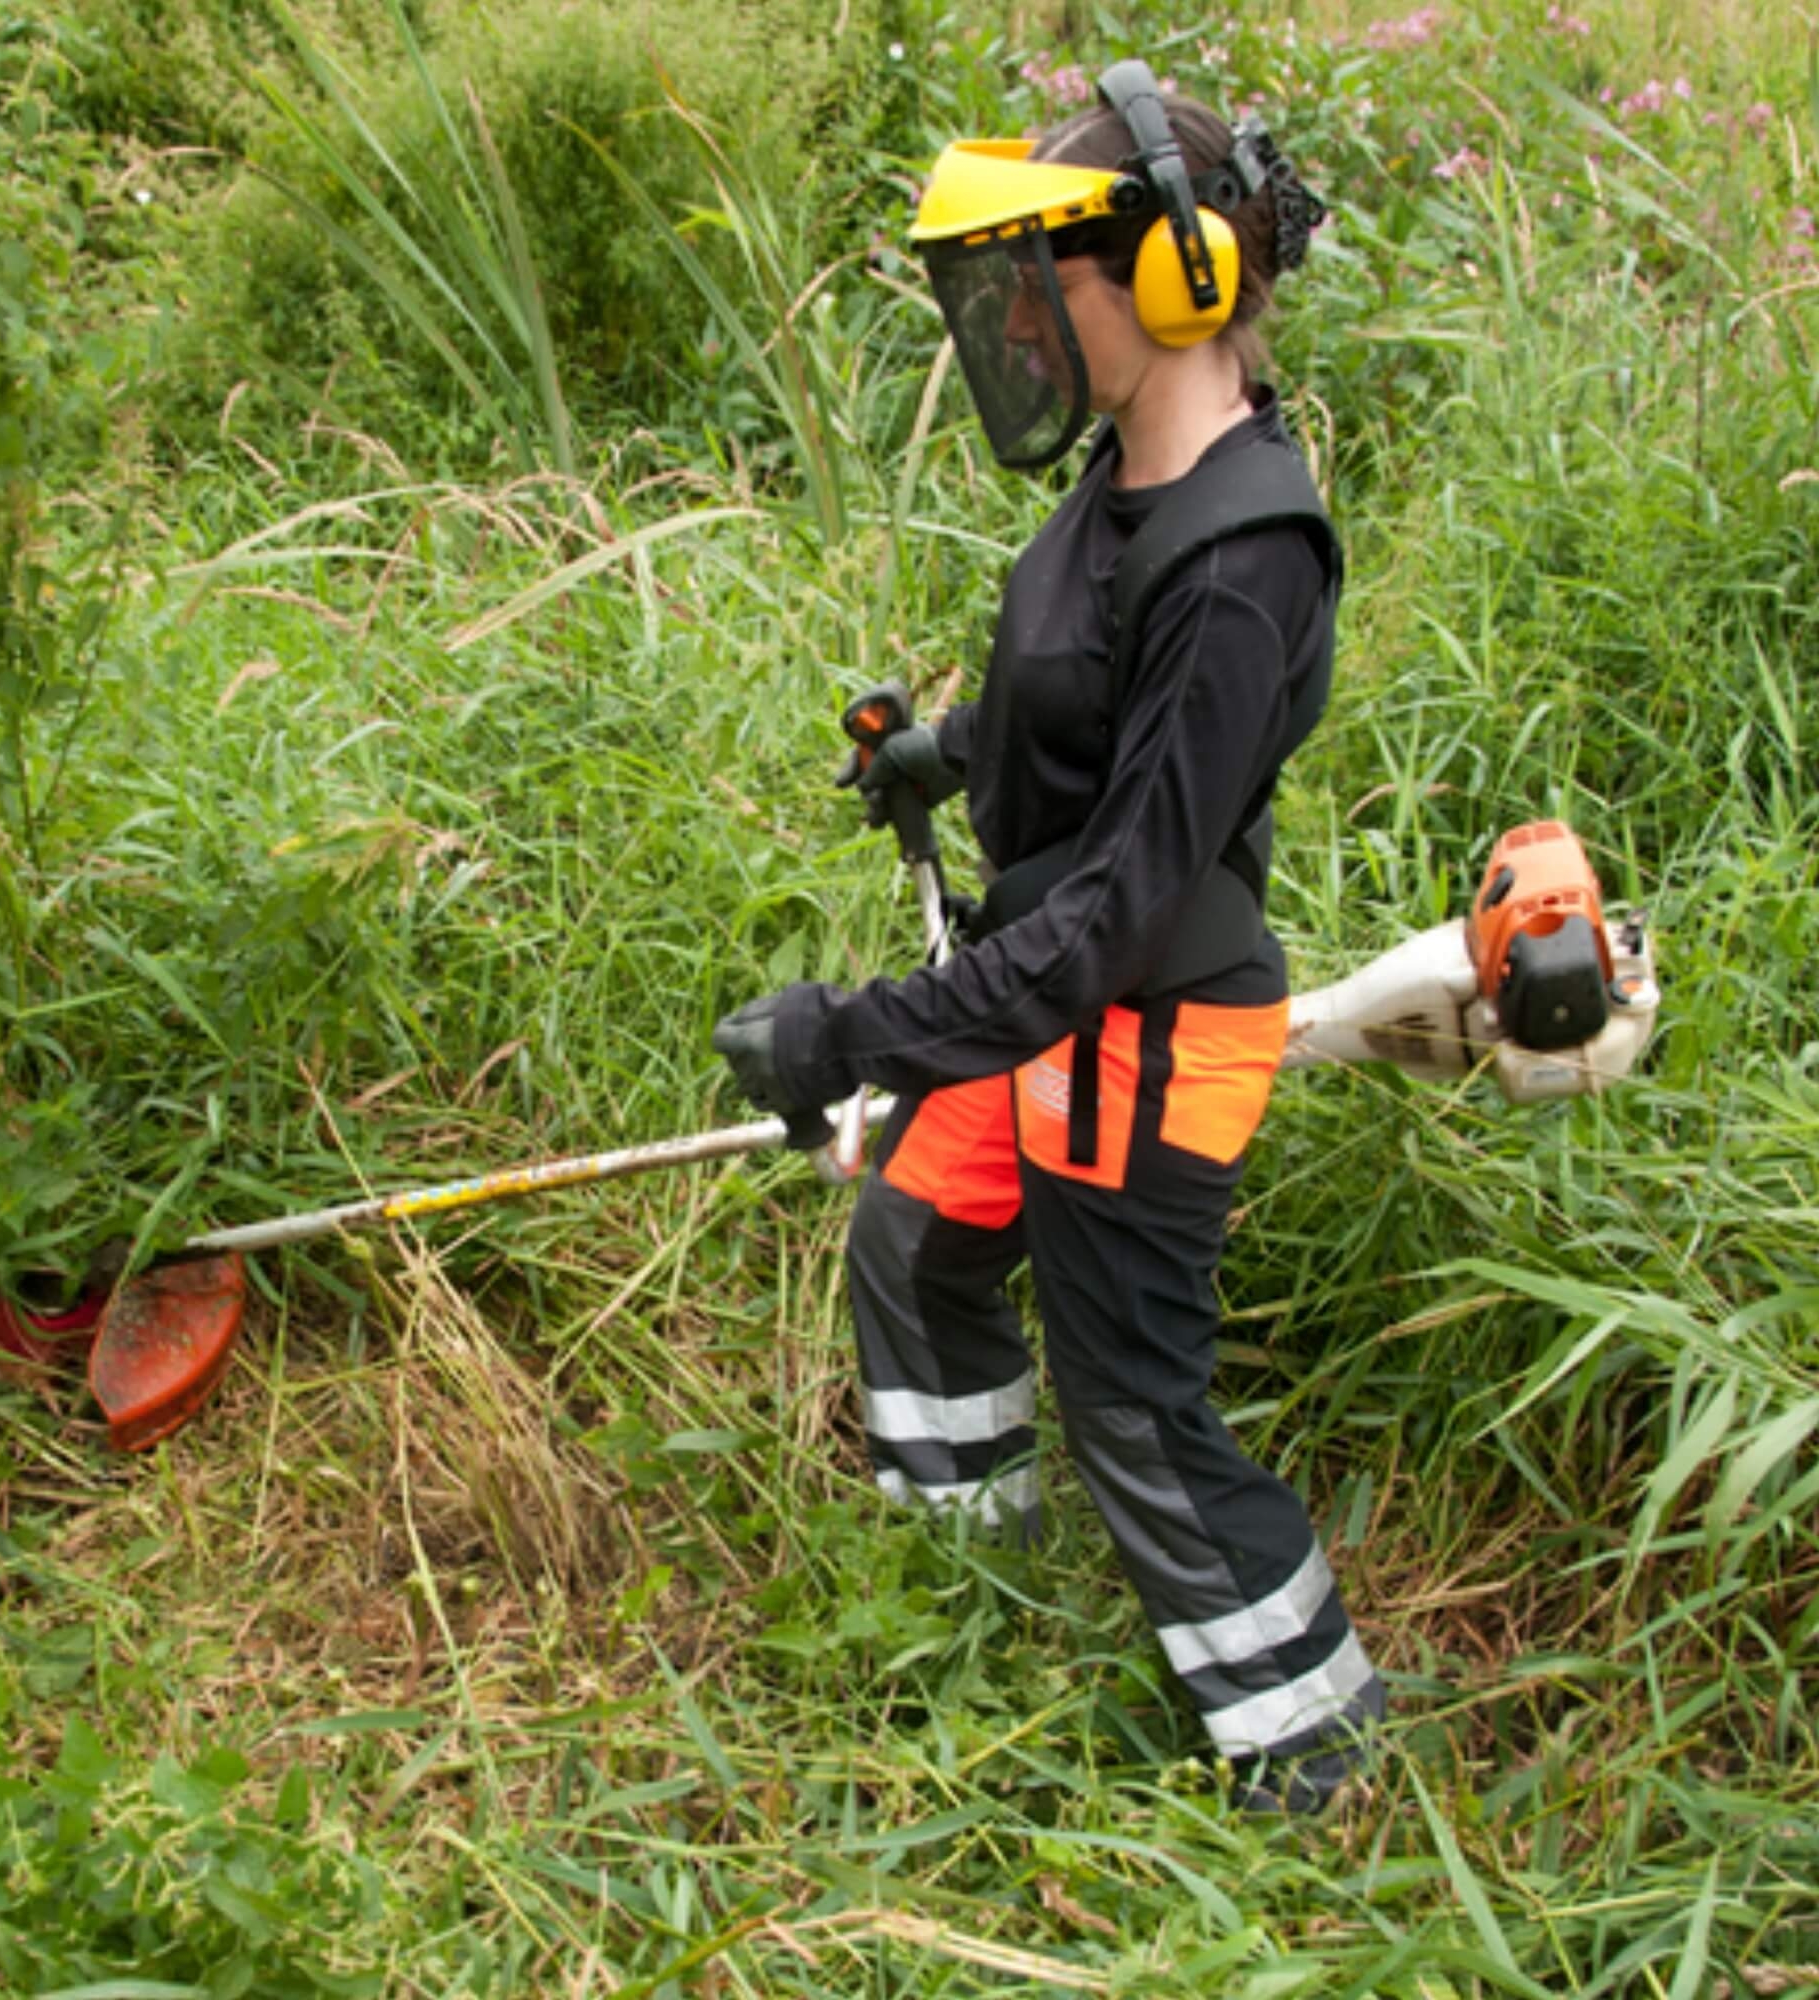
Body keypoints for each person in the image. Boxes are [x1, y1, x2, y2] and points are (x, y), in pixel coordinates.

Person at [714, 60, 1384, 1811]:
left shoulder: (1244, 562)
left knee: (1137, 1406)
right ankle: (965, 1584)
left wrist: (851, 1035)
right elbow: (1086, 701)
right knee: (916, 1248)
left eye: (1043, 282)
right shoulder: (1129, 477)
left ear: (1176, 277)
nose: (1016, 322)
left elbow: (1115, 908)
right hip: (1046, 1004)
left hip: (1139, 1032)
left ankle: (1315, 1749)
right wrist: (944, 756)